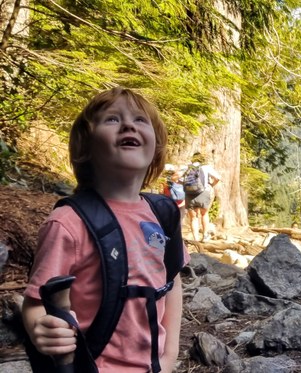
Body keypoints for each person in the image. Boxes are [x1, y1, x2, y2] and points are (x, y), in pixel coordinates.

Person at [21, 87, 189, 372]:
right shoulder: (68, 224)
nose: (128, 125)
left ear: (156, 147)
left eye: (140, 120)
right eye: (112, 119)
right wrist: (41, 328)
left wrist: (169, 357)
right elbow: (36, 301)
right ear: (86, 147)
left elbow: (170, 283)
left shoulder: (162, 214)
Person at [184, 152, 221, 241]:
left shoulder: (187, 168)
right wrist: (212, 184)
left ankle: (196, 239)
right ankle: (205, 236)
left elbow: (180, 179)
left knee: (193, 218)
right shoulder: (206, 168)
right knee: (204, 214)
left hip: (190, 194)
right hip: (204, 193)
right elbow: (218, 178)